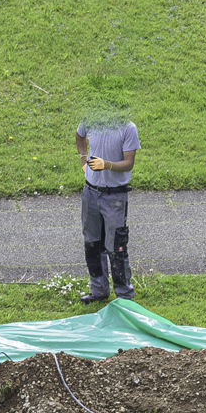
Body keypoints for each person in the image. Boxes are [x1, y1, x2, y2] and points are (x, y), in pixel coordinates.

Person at [75, 114, 141, 303]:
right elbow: (79, 136)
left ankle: (124, 297)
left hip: (115, 197)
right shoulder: (91, 119)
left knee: (116, 246)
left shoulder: (128, 128)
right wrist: (83, 160)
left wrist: (107, 165)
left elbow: (129, 162)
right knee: (92, 242)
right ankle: (98, 290)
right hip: (91, 193)